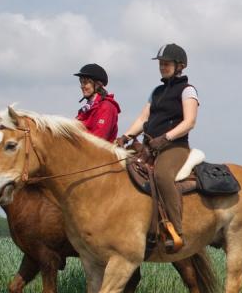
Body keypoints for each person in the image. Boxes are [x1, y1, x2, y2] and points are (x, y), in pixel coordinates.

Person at [117, 43, 199, 253]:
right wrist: (126, 136)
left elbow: (189, 122)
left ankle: (176, 231)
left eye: (166, 63)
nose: (162, 67)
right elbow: (143, 118)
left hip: (175, 148)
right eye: (161, 63)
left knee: (162, 175)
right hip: (150, 146)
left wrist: (165, 138)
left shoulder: (187, 90)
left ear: (180, 65)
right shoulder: (156, 91)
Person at [74, 63, 120, 141]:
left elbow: (99, 139)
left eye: (85, 82)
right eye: (81, 82)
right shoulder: (85, 109)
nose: (82, 86)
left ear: (98, 84)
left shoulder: (107, 107)